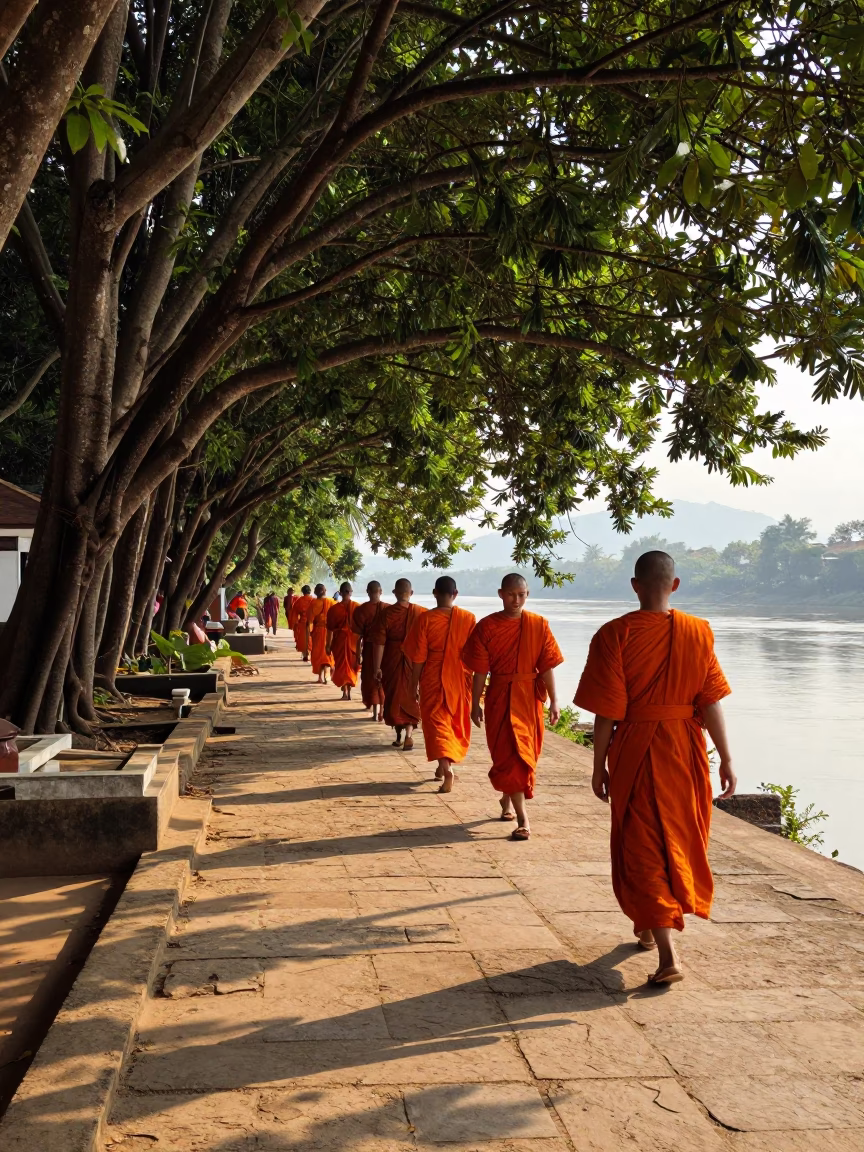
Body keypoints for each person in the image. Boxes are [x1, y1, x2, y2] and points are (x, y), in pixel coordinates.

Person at [574, 550, 735, 987]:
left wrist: (598, 766)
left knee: (641, 845)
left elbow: (606, 713)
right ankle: (649, 925)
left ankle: (668, 955)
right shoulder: (698, 633)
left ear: (635, 585)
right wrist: (727, 757)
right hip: (686, 751)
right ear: (675, 585)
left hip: (635, 751)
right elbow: (711, 701)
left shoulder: (614, 635)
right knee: (676, 838)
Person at [462, 573, 563, 841]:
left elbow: (547, 666)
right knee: (509, 756)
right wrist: (475, 704)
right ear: (500, 594)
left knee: (525, 755)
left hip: (529, 700)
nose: (516, 600)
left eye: (521, 594)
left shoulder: (539, 625)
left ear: (527, 594)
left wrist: (554, 700)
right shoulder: (487, 627)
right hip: (499, 699)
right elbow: (480, 672)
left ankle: (508, 799)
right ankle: (523, 818)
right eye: (510, 594)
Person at [402, 575, 475, 793]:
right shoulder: (468, 618)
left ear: (434, 593)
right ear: (455, 594)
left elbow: (418, 657)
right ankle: (444, 766)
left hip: (432, 675)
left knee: (436, 725)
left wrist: (413, 684)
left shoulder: (425, 619)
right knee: (452, 723)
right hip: (459, 678)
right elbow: (475, 654)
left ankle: (445, 767)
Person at [372, 578, 426, 750]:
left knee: (394, 696)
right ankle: (409, 734)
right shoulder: (422, 613)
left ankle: (399, 736)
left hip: (391, 658)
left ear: (394, 592)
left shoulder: (386, 614)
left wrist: (377, 667)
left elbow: (379, 643)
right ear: (411, 593)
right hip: (414, 659)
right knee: (410, 695)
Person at [352, 580, 387, 721]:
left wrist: (358, 654)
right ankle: (382, 711)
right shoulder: (388, 609)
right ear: (381, 591)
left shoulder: (361, 610)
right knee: (383, 678)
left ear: (368, 591)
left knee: (370, 678)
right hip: (385, 649)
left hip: (368, 648)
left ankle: (374, 711)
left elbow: (358, 635)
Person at [326, 582, 360, 700]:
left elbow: (330, 629)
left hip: (339, 640)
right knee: (350, 666)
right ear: (351, 592)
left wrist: (328, 645)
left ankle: (345, 691)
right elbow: (362, 628)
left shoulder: (334, 609)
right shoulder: (357, 607)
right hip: (353, 642)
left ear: (340, 593)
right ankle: (348, 689)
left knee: (341, 665)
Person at [307, 583, 335, 684]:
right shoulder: (331, 602)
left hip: (318, 631)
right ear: (325, 590)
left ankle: (320, 677)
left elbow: (310, 620)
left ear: (315, 592)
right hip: (329, 632)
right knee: (327, 654)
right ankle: (326, 675)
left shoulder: (313, 603)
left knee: (319, 654)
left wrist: (309, 632)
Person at [289, 585, 314, 659]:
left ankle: (305, 654)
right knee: (311, 638)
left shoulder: (299, 601)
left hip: (303, 622)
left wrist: (294, 623)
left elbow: (294, 613)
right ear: (310, 591)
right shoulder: (313, 600)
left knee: (303, 639)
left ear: (303, 592)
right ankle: (311, 653)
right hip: (312, 623)